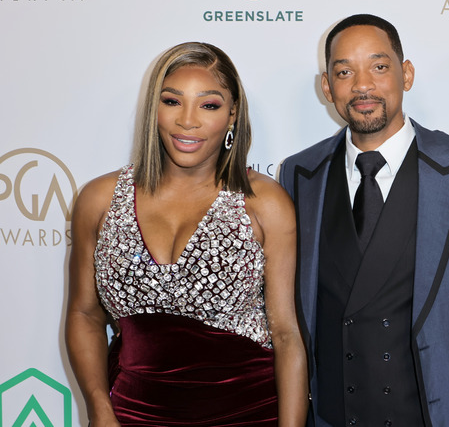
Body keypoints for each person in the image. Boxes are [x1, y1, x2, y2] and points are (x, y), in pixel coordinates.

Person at [278, 14, 449, 427]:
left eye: (379, 66)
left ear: (406, 74)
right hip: (332, 415)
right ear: (327, 86)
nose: (363, 85)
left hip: (439, 412)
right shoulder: (299, 174)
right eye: (344, 71)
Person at [65, 42, 308, 426]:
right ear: (154, 109)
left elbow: (286, 334)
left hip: (247, 413)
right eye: (172, 101)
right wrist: (98, 406)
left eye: (208, 105)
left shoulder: (263, 203)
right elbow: (84, 314)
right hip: (132, 413)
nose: (187, 121)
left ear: (232, 115)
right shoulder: (99, 199)